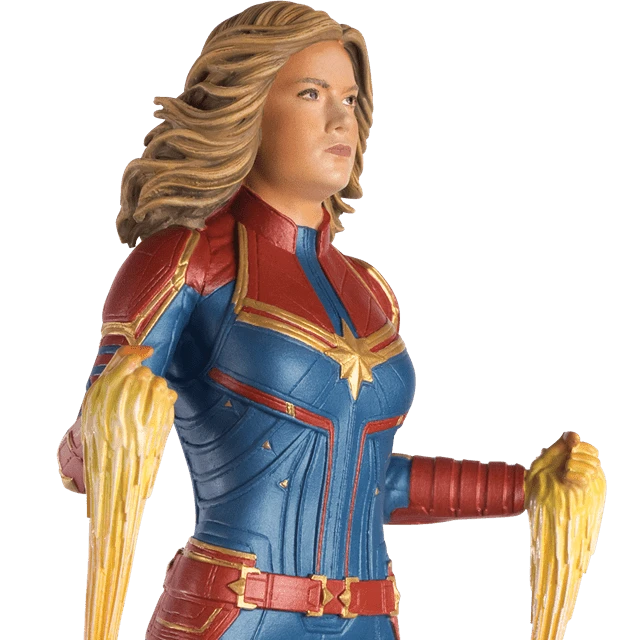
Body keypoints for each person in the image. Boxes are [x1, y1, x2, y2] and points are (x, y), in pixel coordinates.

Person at [56, 3, 605, 639]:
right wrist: (109, 419)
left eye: (349, 99)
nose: (341, 119)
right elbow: (79, 464)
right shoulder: (187, 259)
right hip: (233, 617)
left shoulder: (368, 292)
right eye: (311, 93)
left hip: (369, 618)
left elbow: (373, 483)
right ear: (250, 107)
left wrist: (525, 488)